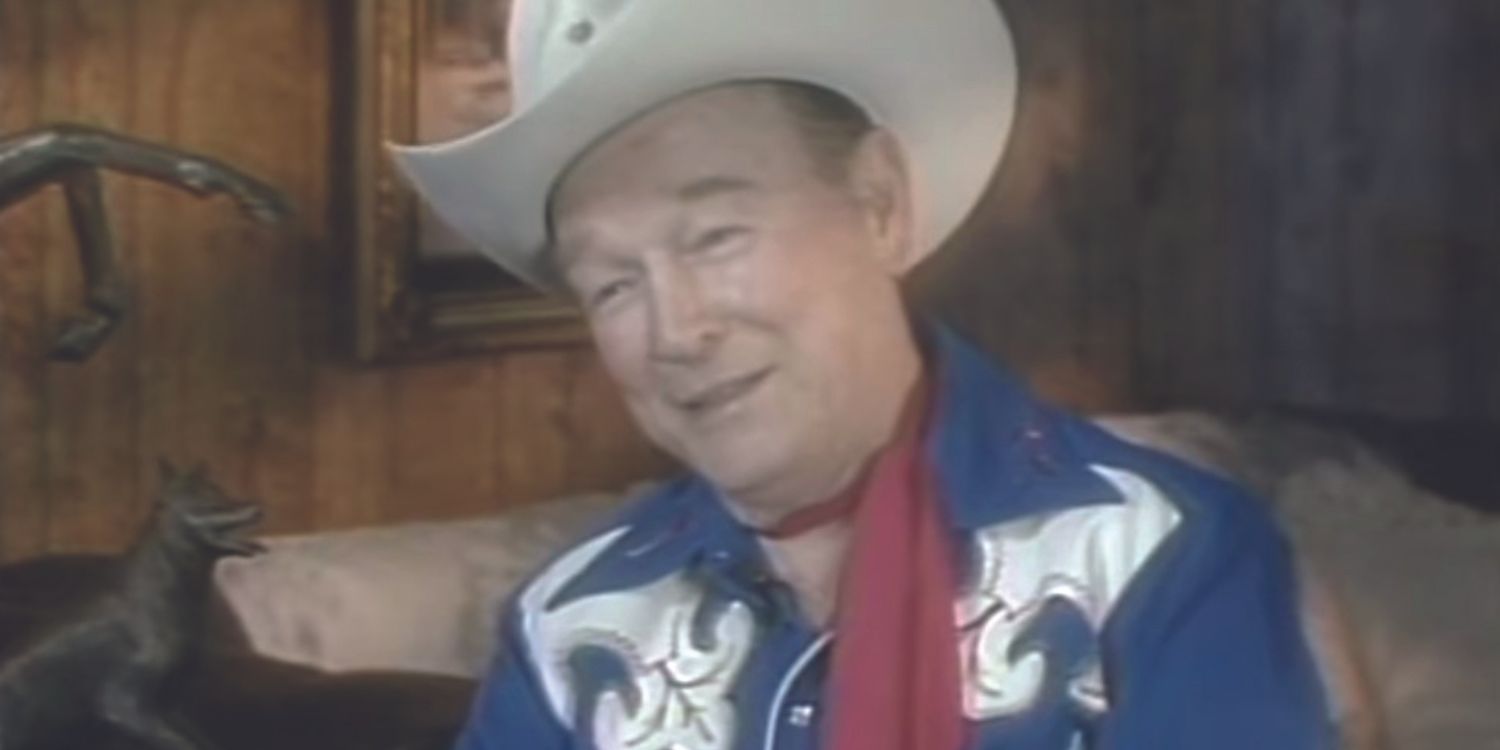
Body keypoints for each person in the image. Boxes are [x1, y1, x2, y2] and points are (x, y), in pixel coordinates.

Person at [392, 0, 1336, 748]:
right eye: (611, 285)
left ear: (879, 203)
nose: (676, 330)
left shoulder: (1161, 556)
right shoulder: (571, 627)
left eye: (715, 237)